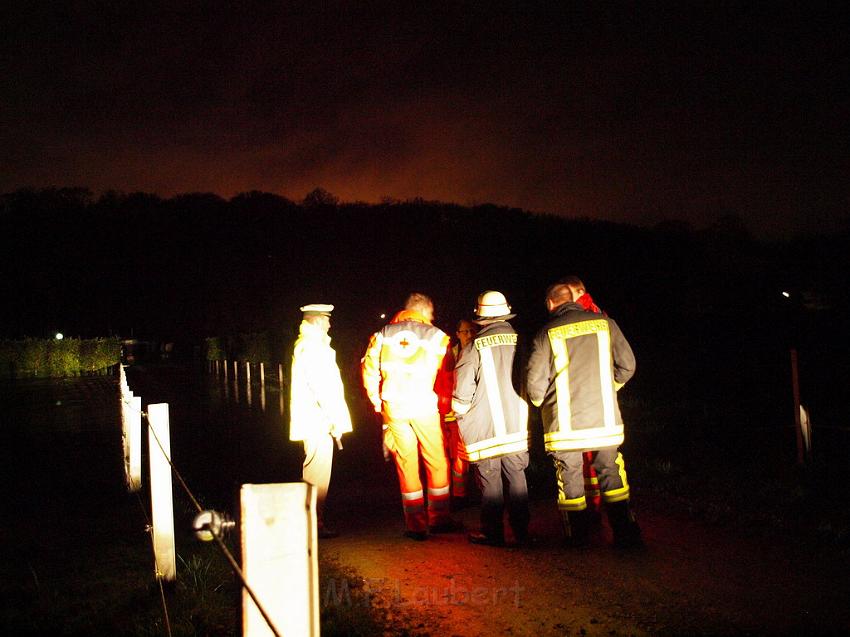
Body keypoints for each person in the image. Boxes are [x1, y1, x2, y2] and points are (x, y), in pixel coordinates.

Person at [526, 281, 642, 548]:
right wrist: (609, 388)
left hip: (564, 426)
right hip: (604, 421)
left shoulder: (546, 333)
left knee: (570, 480)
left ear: (550, 304)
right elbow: (628, 365)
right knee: (611, 473)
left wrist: (541, 404)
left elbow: (534, 386)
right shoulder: (605, 323)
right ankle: (625, 534)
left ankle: (577, 538)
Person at [362, 292, 461, 540]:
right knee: (436, 460)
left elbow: (369, 371)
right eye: (432, 312)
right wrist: (445, 404)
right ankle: (439, 518)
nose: (433, 317)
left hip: (394, 406)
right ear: (425, 310)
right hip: (424, 405)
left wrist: (378, 403)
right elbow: (446, 376)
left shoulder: (382, 335)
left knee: (406, 463)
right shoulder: (437, 337)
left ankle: (415, 525)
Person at [452, 291, 530, 547]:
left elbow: (462, 392)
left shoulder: (474, 346)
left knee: (490, 479)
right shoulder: (522, 340)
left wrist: (461, 414)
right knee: (517, 475)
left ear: (480, 316)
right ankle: (521, 532)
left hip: (485, 428)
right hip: (517, 423)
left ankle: (493, 533)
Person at [289, 303, 352, 539]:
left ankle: (313, 520)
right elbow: (323, 388)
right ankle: (314, 523)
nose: (330, 323)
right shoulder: (313, 347)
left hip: (316, 419)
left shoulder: (311, 345)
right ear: (316, 321)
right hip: (318, 420)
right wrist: (334, 419)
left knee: (315, 471)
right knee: (318, 474)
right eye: (326, 319)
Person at [444, 318, 478, 507]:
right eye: (464, 332)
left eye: (471, 331)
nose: (469, 335)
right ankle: (457, 494)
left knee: (463, 455)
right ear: (457, 334)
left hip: (469, 413)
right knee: (453, 457)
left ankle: (462, 494)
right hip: (451, 413)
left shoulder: (477, 351)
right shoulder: (451, 354)